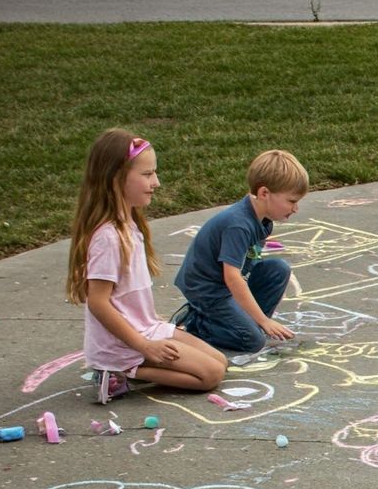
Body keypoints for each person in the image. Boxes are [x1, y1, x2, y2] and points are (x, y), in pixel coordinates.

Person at [67, 129, 226, 406]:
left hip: (145, 328)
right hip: (124, 344)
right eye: (147, 174)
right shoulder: (108, 237)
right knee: (210, 375)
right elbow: (98, 302)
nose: (157, 182)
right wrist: (145, 348)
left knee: (220, 361)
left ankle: (130, 367)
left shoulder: (129, 225)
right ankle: (118, 371)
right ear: (116, 177)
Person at [173, 150, 306, 358]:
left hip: (225, 286)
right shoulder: (239, 225)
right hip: (208, 289)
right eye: (291, 201)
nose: (296, 208)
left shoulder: (263, 220)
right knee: (252, 341)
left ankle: (244, 324)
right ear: (264, 193)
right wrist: (264, 320)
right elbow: (232, 277)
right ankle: (195, 323)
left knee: (278, 269)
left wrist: (258, 319)